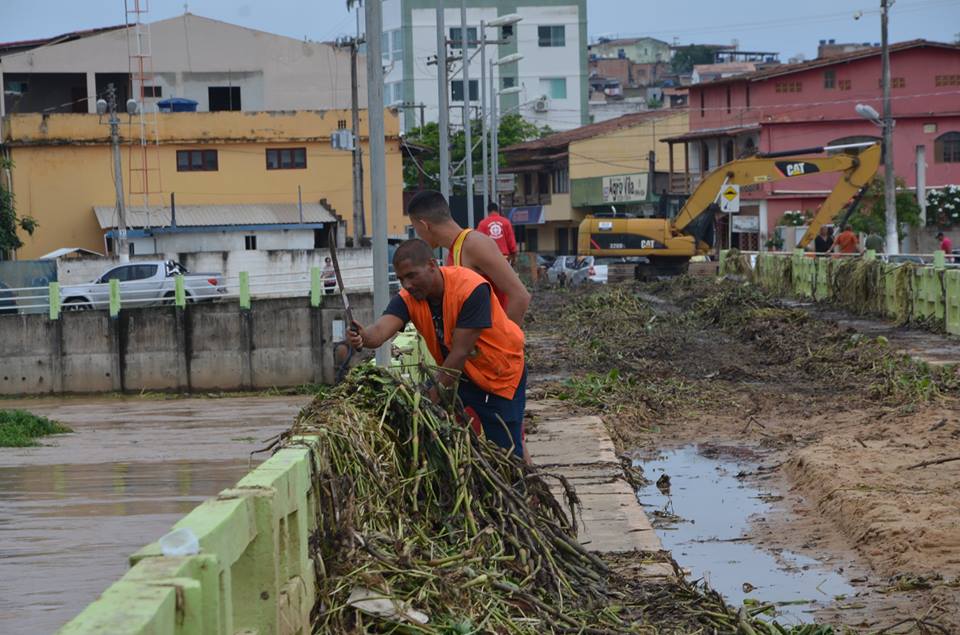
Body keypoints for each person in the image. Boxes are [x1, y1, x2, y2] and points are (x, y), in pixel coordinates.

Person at [347, 239, 527, 459]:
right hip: (464, 376)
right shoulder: (409, 298)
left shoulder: (471, 289)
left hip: (499, 373)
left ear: (432, 265)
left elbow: (460, 353)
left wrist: (424, 402)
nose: (406, 285)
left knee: (507, 452)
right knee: (464, 451)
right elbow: (380, 331)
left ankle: (525, 489)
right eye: (402, 279)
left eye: (412, 275)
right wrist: (363, 336)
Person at [406, 190, 530, 326]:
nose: (418, 235)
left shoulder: (475, 244)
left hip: (493, 344)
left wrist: (505, 342)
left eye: (416, 228)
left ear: (425, 225)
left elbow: (520, 296)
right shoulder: (454, 252)